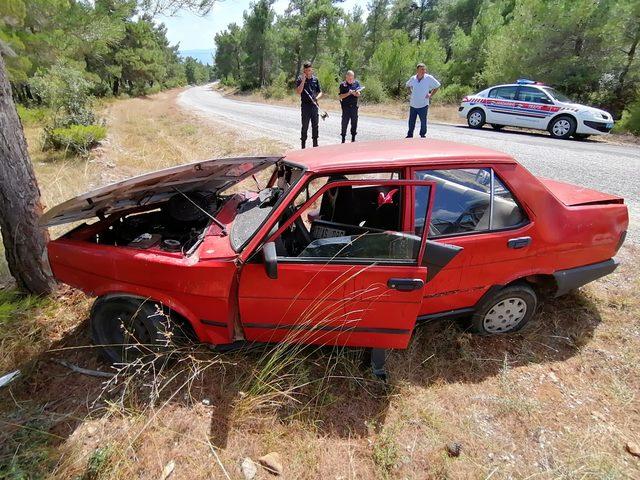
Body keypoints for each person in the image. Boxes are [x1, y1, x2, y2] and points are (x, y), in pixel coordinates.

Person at [405, 63, 440, 138]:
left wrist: (430, 95)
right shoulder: (413, 78)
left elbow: (437, 85)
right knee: (411, 121)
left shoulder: (429, 78)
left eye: (424, 69)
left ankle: (422, 135)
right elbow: (407, 85)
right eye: (422, 69)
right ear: (417, 70)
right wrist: (411, 92)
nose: (424, 71)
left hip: (423, 104)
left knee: (423, 121)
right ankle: (409, 135)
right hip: (413, 104)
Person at [295, 61, 323, 148]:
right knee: (305, 125)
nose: (308, 72)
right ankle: (303, 145)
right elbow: (299, 91)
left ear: (312, 70)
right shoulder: (300, 79)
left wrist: (317, 98)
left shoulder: (315, 79)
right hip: (305, 106)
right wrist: (303, 80)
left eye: (309, 70)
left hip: (314, 105)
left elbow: (320, 92)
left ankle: (315, 145)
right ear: (304, 71)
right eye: (306, 70)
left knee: (315, 125)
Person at [338, 70, 361, 143]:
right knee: (344, 123)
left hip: (354, 107)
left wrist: (356, 94)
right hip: (346, 107)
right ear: (346, 77)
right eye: (349, 78)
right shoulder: (342, 85)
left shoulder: (356, 83)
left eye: (352, 78)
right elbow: (340, 96)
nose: (351, 80)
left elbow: (359, 94)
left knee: (354, 122)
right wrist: (348, 93)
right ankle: (343, 139)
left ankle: (353, 138)